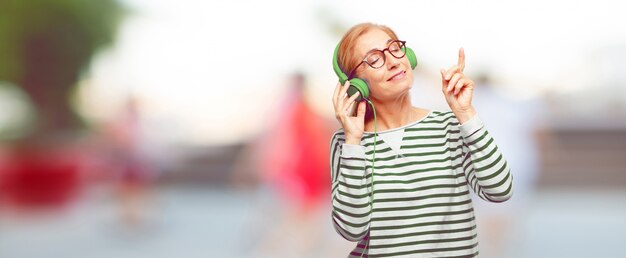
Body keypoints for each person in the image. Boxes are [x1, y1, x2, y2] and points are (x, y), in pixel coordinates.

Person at [330, 23, 513, 257]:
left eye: (394, 48)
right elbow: (351, 229)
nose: (394, 61)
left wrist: (466, 113)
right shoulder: (346, 141)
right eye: (374, 59)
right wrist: (353, 142)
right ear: (357, 84)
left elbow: (500, 189)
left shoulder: (449, 125)